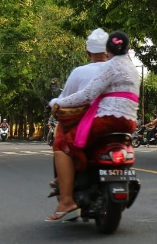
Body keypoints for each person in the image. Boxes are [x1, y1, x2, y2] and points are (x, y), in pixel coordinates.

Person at [46, 30, 140, 222]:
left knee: (64, 144)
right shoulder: (131, 68)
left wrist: (56, 103)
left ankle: (66, 199)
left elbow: (86, 96)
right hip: (129, 122)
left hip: (106, 119)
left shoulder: (102, 68)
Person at [48, 28, 109, 197]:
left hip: (87, 126)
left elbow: (65, 98)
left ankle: (65, 193)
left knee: (61, 143)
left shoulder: (79, 72)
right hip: (120, 124)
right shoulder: (121, 70)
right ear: (108, 51)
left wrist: (54, 105)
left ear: (88, 52)